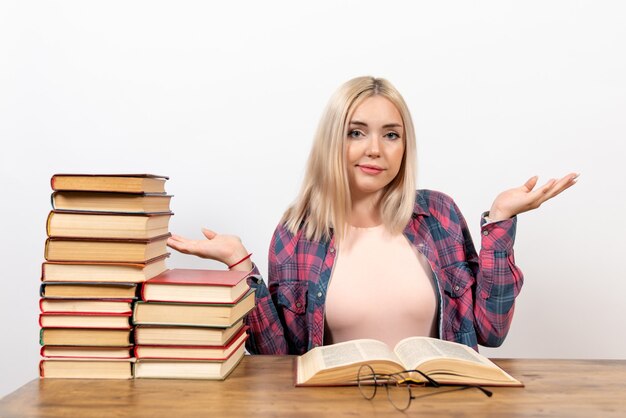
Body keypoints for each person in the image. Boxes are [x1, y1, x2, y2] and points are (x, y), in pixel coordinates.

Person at [167, 76, 578, 355]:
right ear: (334, 141)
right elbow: (282, 357)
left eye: (391, 134)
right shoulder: (297, 233)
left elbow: (492, 331)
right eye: (356, 132)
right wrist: (240, 265)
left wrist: (501, 222)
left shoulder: (439, 214)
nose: (375, 149)